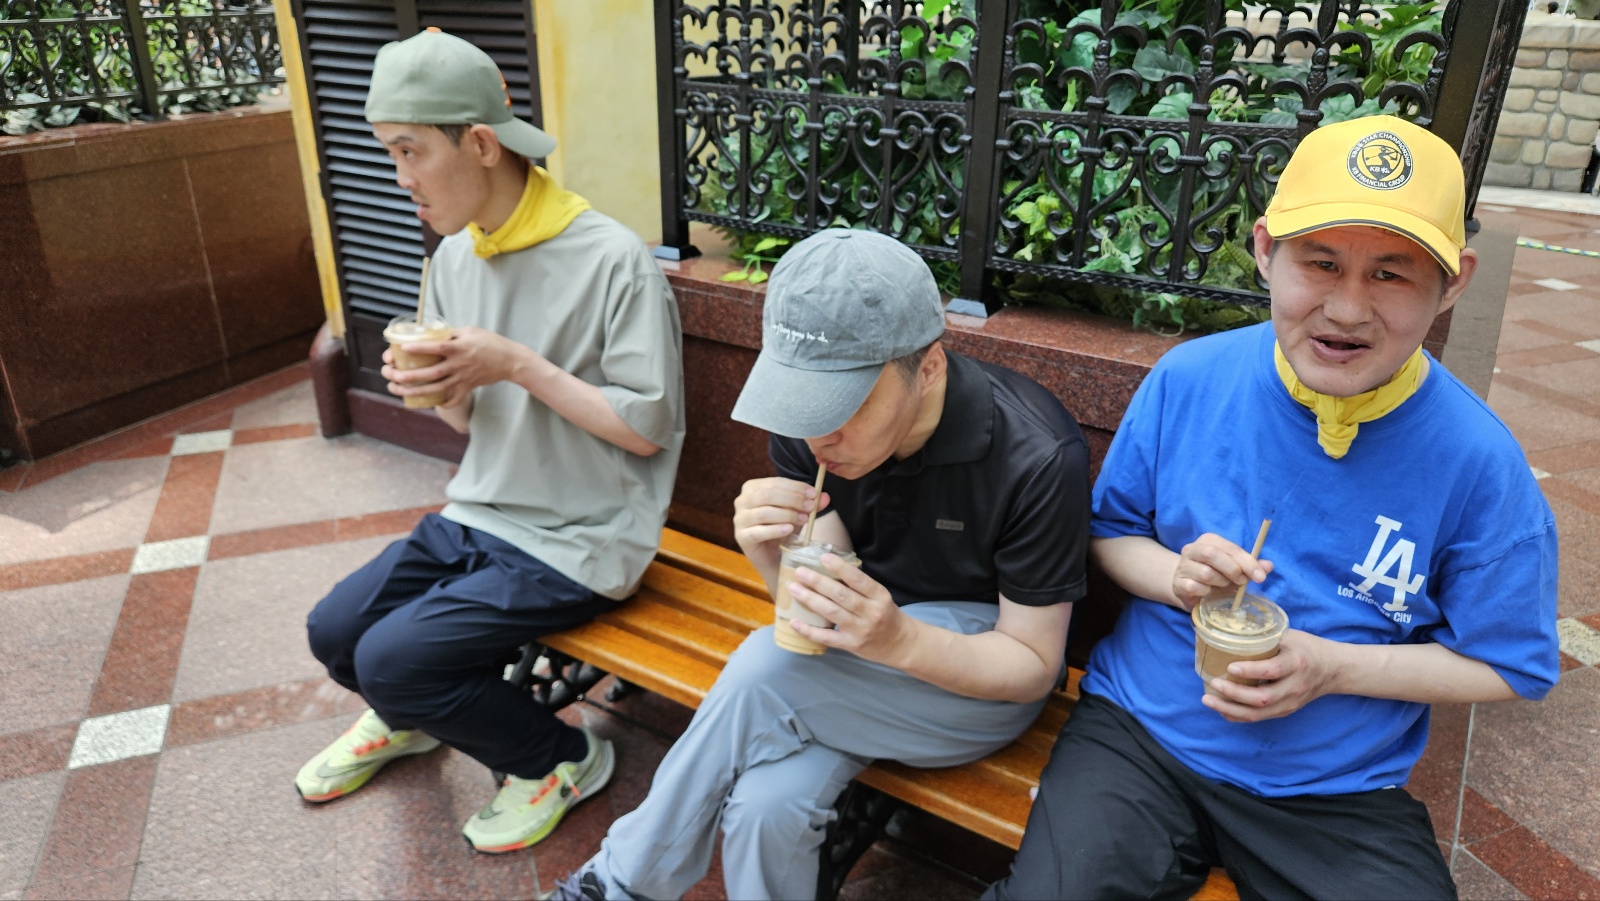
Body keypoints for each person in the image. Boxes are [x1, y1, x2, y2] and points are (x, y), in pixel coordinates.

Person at [985, 116, 1559, 900]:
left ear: (1454, 282)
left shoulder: (1480, 462)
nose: (1348, 309)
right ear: (1265, 251)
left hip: (1337, 787)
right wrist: (1177, 577)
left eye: (1391, 275)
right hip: (1142, 734)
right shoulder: (1189, 379)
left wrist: (1333, 667)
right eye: (1321, 263)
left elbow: (1512, 665)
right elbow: (1110, 532)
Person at [549, 228, 1091, 900]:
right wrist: (770, 556)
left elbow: (1032, 667)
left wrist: (899, 638)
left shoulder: (1035, 454)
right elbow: (819, 613)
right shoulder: (810, 428)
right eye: (804, 399)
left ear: (928, 367)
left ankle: (621, 881)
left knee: (761, 664)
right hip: (846, 667)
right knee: (766, 806)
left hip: (978, 680)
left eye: (845, 402)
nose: (817, 433)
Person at [292, 29, 684, 855]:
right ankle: (412, 718)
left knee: (393, 658)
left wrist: (516, 363)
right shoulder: (454, 258)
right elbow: (469, 426)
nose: (400, 177)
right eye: (389, 153)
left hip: (582, 536)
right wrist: (444, 389)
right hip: (481, 513)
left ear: (479, 143)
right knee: (335, 629)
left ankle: (562, 758)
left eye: (410, 151)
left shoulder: (612, 259)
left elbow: (645, 432)